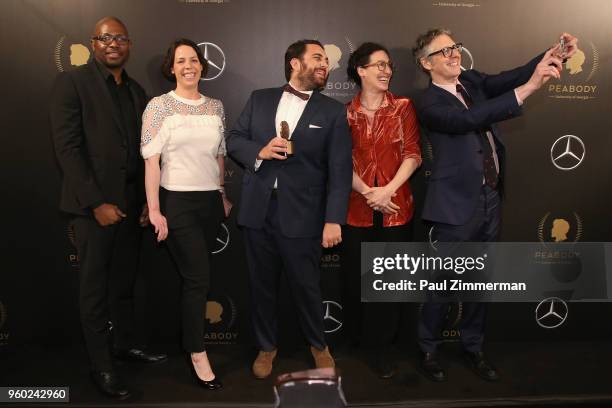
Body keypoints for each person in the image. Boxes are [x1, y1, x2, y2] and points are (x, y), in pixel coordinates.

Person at [411, 28, 578, 382]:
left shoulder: (472, 80)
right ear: (426, 63)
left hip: (490, 197)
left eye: (455, 47)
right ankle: (427, 348)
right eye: (444, 52)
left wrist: (555, 53)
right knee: (443, 281)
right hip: (455, 206)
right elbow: (468, 120)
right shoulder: (428, 103)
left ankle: (473, 347)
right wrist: (531, 88)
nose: (455, 54)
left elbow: (514, 76)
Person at [49, 16, 167, 400]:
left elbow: (143, 153)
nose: (113, 43)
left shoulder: (136, 91)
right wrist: (96, 202)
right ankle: (101, 364)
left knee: (125, 284)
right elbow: (67, 148)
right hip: (92, 209)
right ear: (93, 43)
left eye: (120, 38)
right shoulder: (73, 82)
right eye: (105, 38)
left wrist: (147, 204)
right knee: (95, 290)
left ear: (129, 45)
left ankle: (125, 344)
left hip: (133, 209)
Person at [226, 39, 352, 379]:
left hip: (305, 214)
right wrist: (260, 151)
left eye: (327, 60)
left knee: (307, 286)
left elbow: (340, 171)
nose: (325, 64)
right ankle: (266, 347)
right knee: (261, 285)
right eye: (317, 58)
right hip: (258, 211)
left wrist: (333, 219)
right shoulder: (260, 98)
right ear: (295, 64)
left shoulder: (333, 111)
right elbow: (234, 138)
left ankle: (318, 345)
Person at [141, 38, 231, 390]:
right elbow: (151, 162)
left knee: (197, 277)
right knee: (197, 279)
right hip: (176, 202)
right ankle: (197, 352)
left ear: (201, 65)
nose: (188, 66)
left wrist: (223, 194)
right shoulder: (159, 107)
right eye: (181, 61)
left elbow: (220, 155)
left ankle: (190, 342)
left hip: (209, 203)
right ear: (172, 67)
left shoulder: (215, 106)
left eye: (193, 59)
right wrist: (154, 209)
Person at [342, 42, 421, 379]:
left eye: (388, 65)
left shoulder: (402, 106)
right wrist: (366, 192)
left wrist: (386, 191)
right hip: (356, 208)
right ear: (360, 70)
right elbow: (338, 161)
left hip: (395, 207)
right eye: (378, 65)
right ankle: (361, 342)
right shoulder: (344, 112)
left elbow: (414, 154)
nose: (386, 71)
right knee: (358, 280)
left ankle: (383, 349)